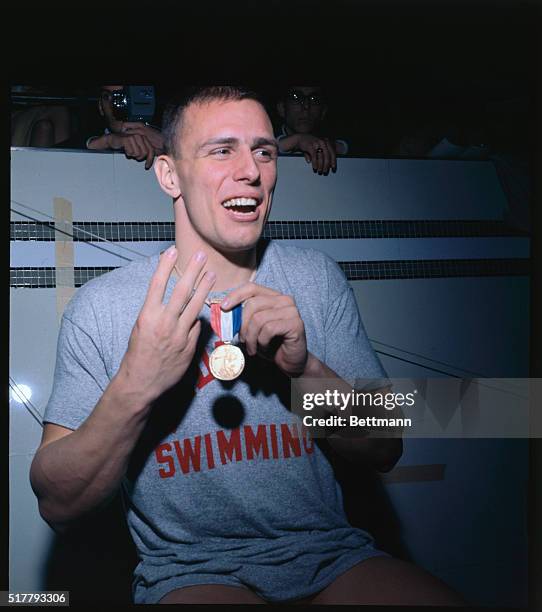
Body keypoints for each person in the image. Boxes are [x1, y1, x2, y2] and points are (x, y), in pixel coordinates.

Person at [30, 86, 466, 605]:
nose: (251, 171)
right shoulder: (102, 307)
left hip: (331, 556)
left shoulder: (317, 279)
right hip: (191, 572)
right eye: (222, 150)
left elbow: (386, 446)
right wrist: (135, 384)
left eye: (263, 150)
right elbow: (58, 501)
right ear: (169, 174)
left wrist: (304, 369)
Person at [86, 85, 165, 170]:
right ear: (100, 106)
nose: (116, 104)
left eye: (124, 96)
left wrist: (170, 146)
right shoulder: (87, 138)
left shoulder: (164, 138)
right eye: (107, 96)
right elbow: (77, 144)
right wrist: (106, 141)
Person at [276, 85, 348, 176]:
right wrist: (296, 141)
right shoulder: (264, 134)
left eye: (314, 99)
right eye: (296, 97)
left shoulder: (332, 139)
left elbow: (353, 147)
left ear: (323, 111)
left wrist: (329, 146)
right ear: (282, 108)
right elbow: (264, 147)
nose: (306, 106)